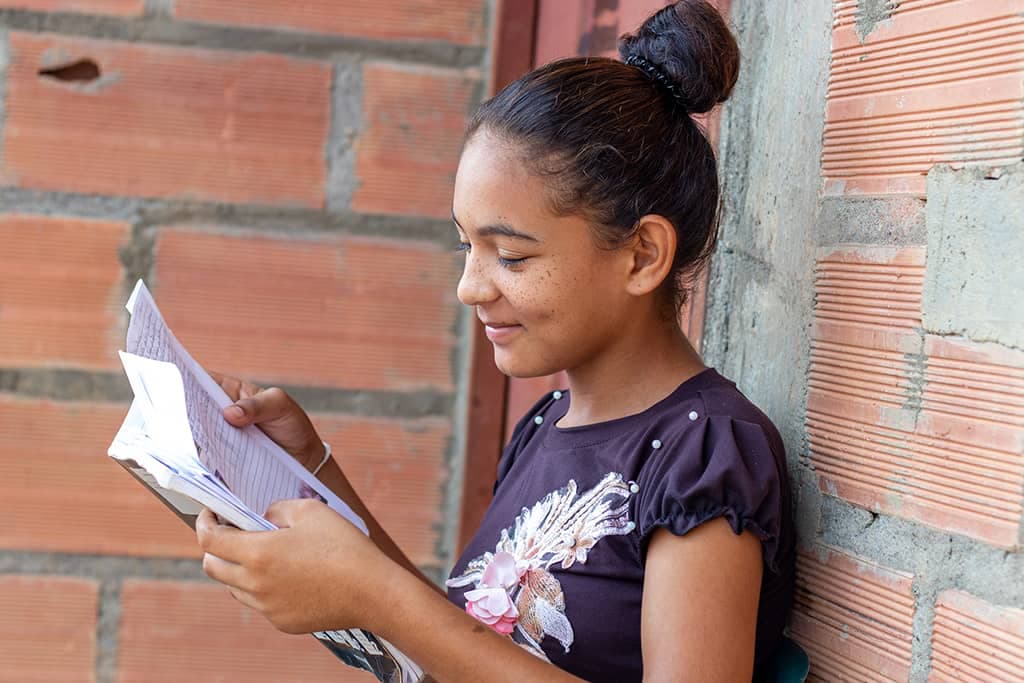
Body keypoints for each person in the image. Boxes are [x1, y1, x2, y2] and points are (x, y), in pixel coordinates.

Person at [195, 1, 796, 680]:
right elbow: (461, 646)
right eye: (466, 247)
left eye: (510, 256)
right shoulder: (545, 426)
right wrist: (310, 468)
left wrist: (376, 594)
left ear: (641, 255)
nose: (470, 287)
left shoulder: (704, 455)